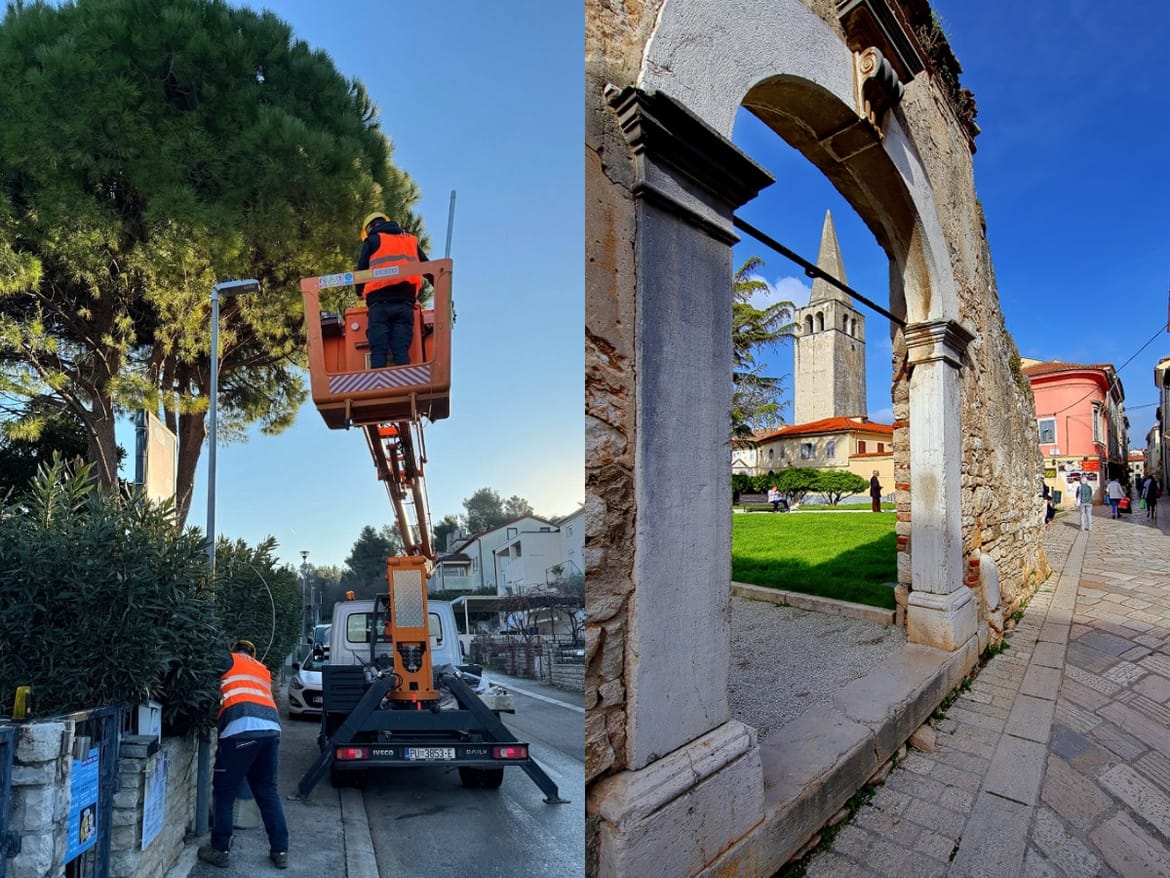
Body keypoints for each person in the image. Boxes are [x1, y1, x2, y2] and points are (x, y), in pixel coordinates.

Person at [198, 640, 289, 870]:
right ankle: (280, 850)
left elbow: (203, 666)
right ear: (253, 653)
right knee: (268, 792)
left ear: (235, 650)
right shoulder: (263, 669)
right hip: (271, 731)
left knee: (225, 792)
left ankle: (219, 850)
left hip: (240, 731)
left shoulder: (229, 660)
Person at [355, 212, 430, 368]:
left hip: (379, 303)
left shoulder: (372, 240)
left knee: (379, 350)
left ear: (369, 228)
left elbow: (361, 271)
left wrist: (359, 292)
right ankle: (404, 384)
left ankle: (377, 386)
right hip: (405, 303)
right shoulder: (410, 241)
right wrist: (442, 285)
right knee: (401, 349)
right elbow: (428, 268)